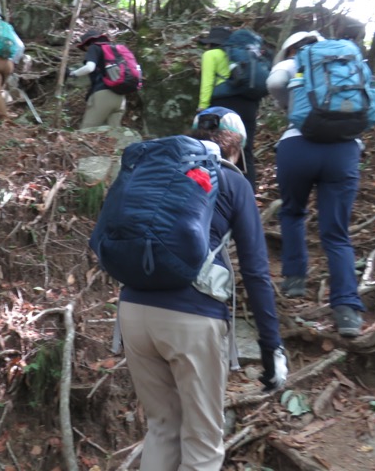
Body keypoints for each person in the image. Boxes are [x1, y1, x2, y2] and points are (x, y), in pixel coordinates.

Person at [118, 107, 287, 470]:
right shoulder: (233, 181)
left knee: (162, 428)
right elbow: (256, 272)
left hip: (132, 311)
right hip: (192, 319)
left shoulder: (158, 172)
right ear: (236, 145)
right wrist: (271, 346)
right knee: (204, 443)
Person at [266, 31, 365, 338]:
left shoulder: (294, 62)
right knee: (336, 233)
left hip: (298, 145)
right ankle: (347, 310)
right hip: (344, 149)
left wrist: (289, 107)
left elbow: (273, 84)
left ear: (291, 49)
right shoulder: (349, 61)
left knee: (293, 212)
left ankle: (295, 279)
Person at [196, 27, 261, 191]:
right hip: (248, 105)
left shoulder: (211, 55)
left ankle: (218, 193)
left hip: (222, 106)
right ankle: (248, 195)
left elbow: (207, 82)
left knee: (214, 148)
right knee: (245, 152)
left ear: (211, 43)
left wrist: (202, 107)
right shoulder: (240, 55)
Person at [68, 29, 126, 129]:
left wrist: (73, 74)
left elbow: (90, 67)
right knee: (113, 136)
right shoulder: (114, 50)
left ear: (87, 44)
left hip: (103, 95)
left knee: (87, 131)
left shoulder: (94, 47)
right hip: (121, 97)